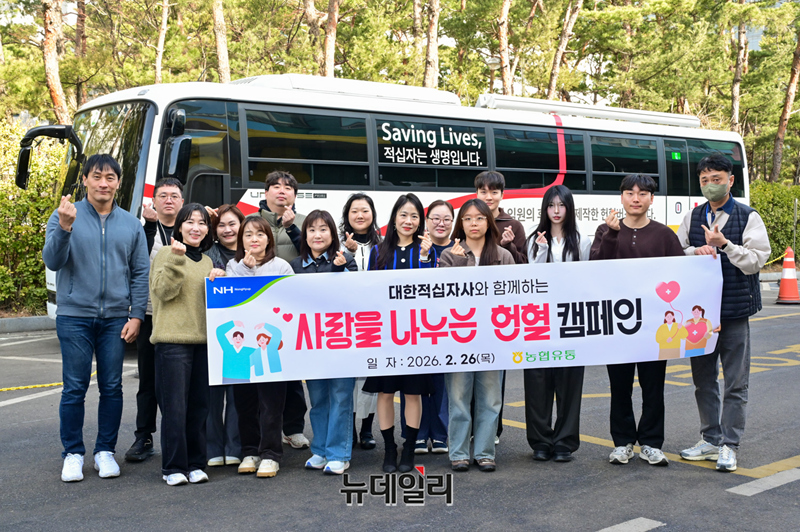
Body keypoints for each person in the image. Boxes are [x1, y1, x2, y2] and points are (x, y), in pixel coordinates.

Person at [44, 154, 149, 483]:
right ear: (85, 180)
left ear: (118, 183)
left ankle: (105, 451)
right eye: (97, 177)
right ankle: (73, 453)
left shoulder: (131, 224)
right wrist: (65, 227)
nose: (103, 183)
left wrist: (136, 315)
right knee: (74, 388)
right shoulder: (65, 214)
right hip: (74, 316)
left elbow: (140, 273)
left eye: (110, 178)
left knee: (112, 387)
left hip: (116, 318)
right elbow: (53, 260)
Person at [677, 154, 770, 472]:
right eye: (704, 180)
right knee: (703, 382)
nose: (710, 185)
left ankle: (730, 445)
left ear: (730, 180)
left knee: (735, 383)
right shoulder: (693, 217)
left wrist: (726, 245)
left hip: (734, 313)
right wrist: (695, 250)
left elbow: (756, 260)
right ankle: (710, 439)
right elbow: (676, 253)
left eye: (716, 179)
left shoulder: (748, 216)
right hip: (700, 318)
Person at [590, 174, 685, 467]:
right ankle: (622, 443)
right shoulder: (605, 230)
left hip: (655, 326)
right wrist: (611, 234)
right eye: (630, 193)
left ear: (651, 199)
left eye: (642, 193)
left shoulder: (664, 235)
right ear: (621, 197)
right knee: (619, 386)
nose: (635, 198)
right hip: (617, 325)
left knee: (653, 386)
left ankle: (651, 443)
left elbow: (682, 275)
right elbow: (595, 270)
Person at [150, 203, 226, 486]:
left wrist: (219, 281)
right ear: (179, 226)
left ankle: (195, 463)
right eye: (190, 222)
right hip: (172, 342)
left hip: (203, 342)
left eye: (202, 223)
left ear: (208, 230)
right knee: (175, 409)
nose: (196, 227)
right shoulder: (166, 253)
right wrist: (177, 259)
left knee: (199, 408)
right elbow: (163, 291)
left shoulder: (207, 262)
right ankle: (173, 467)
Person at [439, 199, 514, 472]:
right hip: (459, 338)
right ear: (461, 223)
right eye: (468, 218)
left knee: (491, 399)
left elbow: (511, 297)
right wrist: (459, 263)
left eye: (479, 218)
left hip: (493, 338)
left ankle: (485, 452)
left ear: (488, 222)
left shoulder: (503, 256)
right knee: (458, 397)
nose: (474, 223)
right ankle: (458, 452)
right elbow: (443, 295)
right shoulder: (449, 255)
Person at [363, 193, 436, 474]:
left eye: (414, 216)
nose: (408, 221)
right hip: (385, 335)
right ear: (394, 218)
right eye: (404, 214)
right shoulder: (378, 251)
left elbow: (432, 292)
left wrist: (426, 257)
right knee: (385, 392)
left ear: (420, 222)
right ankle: (390, 449)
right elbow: (369, 292)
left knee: (413, 394)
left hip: (416, 336)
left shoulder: (428, 251)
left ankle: (409, 448)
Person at [524, 185, 591, 463]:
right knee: (537, 382)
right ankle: (540, 441)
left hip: (570, 318)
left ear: (569, 207)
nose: (556, 211)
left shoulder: (581, 240)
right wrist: (541, 251)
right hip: (538, 319)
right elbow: (532, 281)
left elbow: (586, 277)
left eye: (561, 205)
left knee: (569, 382)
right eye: (551, 205)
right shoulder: (534, 238)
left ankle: (564, 442)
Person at [291, 210, 358, 475]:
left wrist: (343, 269)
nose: (317, 235)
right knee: (318, 399)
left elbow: (359, 296)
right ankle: (320, 449)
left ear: (332, 234)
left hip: (342, 342)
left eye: (323, 229)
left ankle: (339, 453)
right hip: (310, 343)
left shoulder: (345, 259)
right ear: (304, 235)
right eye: (311, 230)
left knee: (341, 397)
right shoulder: (295, 266)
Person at [226, 216, 294, 478]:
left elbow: (291, 302)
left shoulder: (281, 266)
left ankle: (271, 454)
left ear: (269, 238)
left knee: (271, 404)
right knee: (245, 404)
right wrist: (245, 269)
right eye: (248, 235)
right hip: (242, 349)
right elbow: (232, 301)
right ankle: (250, 451)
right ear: (240, 240)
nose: (254, 239)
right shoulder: (233, 266)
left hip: (272, 349)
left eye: (260, 234)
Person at [125, 177, 184, 463]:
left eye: (174, 195)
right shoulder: (142, 231)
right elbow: (136, 267)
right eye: (163, 195)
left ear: (182, 201)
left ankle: (185, 437)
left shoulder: (192, 228)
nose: (168, 200)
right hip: (151, 314)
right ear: (154, 201)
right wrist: (149, 226)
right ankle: (144, 436)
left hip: (184, 317)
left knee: (183, 384)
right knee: (148, 381)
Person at [475, 170, 528, 444]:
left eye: (494, 192)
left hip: (499, 311)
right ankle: (470, 427)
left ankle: (493, 428)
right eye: (483, 191)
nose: (489, 196)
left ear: (502, 195)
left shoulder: (513, 225)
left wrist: (508, 247)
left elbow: (524, 267)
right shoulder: (469, 219)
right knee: (468, 371)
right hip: (470, 311)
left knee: (496, 375)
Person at [258, 170, 309, 450]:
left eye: (288, 187)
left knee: (291, 372)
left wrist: (292, 228)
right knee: (259, 370)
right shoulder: (252, 221)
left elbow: (312, 254)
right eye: (275, 186)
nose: (281, 191)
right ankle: (266, 429)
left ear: (295, 195)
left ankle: (293, 428)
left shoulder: (305, 222)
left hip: (291, 308)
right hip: (256, 307)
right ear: (266, 192)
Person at [402, 199, 455, 456]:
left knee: (443, 384)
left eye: (446, 219)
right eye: (435, 218)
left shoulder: (459, 249)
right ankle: (419, 434)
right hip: (417, 326)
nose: (440, 223)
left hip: (449, 325)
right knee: (417, 382)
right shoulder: (414, 247)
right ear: (427, 221)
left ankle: (441, 435)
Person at [204, 204, 246, 468]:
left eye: (232, 224)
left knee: (237, 395)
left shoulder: (253, 253)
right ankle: (212, 448)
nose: (227, 229)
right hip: (213, 334)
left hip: (243, 335)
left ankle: (235, 447)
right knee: (211, 396)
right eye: (221, 225)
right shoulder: (207, 253)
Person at [340, 193, 382, 450]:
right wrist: (347, 252)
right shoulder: (337, 244)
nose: (359, 215)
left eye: (365, 210)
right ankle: (350, 428)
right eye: (354, 211)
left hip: (375, 321)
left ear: (372, 214)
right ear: (347, 215)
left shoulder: (383, 244)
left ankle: (367, 429)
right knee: (348, 378)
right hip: (344, 321)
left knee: (371, 377)